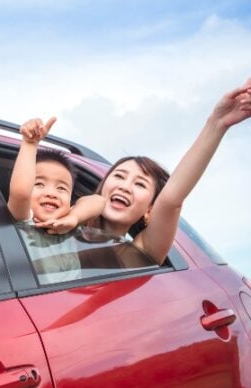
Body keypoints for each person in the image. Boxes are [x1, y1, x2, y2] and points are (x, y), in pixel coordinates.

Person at [85, 80, 251, 265]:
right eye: (119, 176)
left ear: (150, 211)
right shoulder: (62, 223)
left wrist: (218, 122)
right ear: (101, 188)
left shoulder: (139, 255)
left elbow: (171, 199)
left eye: (139, 184)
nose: (125, 186)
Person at [7, 117, 106, 283]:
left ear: (70, 200)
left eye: (61, 188)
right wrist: (30, 145)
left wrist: (73, 218)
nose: (51, 193)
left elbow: (98, 201)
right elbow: (21, 193)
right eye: (39, 184)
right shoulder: (25, 222)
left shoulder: (69, 226)